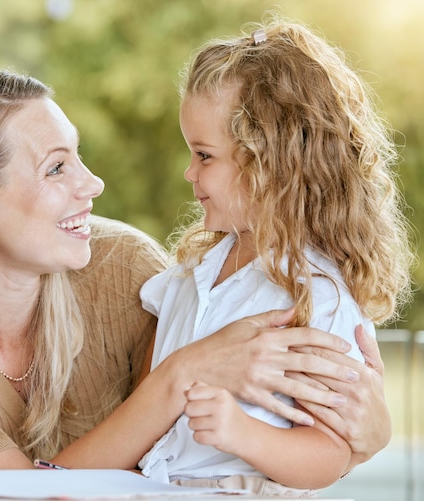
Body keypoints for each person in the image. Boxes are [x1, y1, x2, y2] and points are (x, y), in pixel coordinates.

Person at [0, 68, 393, 473]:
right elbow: (22, 495)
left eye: (78, 156)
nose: (93, 184)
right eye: (56, 168)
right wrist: (180, 376)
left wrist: (364, 438)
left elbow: (252, 439)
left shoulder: (127, 270)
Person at [137, 17, 414, 496]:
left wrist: (244, 435)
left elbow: (329, 454)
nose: (188, 172)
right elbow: (144, 403)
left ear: (271, 165)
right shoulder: (186, 278)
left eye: (204, 156)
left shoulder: (315, 296)